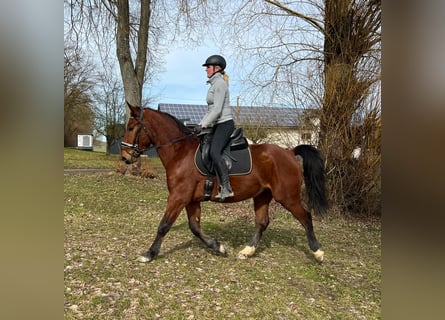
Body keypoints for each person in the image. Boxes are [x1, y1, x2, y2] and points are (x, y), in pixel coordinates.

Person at [197, 54, 235, 200]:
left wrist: (203, 124)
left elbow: (217, 110)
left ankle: (226, 187)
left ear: (216, 68)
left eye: (208, 67)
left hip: (224, 124)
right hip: (216, 124)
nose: (206, 69)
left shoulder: (219, 84)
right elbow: (210, 111)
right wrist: (200, 125)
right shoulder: (214, 84)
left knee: (214, 152)